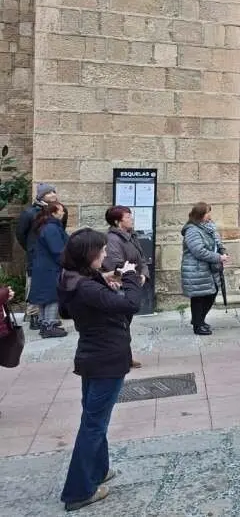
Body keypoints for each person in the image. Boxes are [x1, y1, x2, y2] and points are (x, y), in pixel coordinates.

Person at [58, 228, 143, 512]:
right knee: (93, 425)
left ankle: (98, 469)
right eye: (102, 251)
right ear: (90, 254)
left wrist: (105, 281)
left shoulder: (73, 279)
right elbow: (132, 304)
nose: (106, 254)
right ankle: (79, 491)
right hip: (106, 358)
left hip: (92, 356)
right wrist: (130, 276)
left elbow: (68, 310)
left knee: (95, 419)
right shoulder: (87, 288)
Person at [103, 205, 149, 368]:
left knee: (124, 323)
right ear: (117, 222)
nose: (131, 219)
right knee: (120, 324)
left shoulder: (131, 236)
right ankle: (120, 358)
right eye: (128, 217)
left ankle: (124, 357)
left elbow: (141, 259)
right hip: (120, 286)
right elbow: (115, 264)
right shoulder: (112, 240)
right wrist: (132, 277)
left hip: (132, 283)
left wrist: (143, 274)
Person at [15, 183, 61, 330]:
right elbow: (21, 234)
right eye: (50, 192)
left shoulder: (56, 212)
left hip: (48, 256)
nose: (54, 194)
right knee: (33, 285)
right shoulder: (29, 213)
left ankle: (46, 317)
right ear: (42, 196)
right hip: (35, 256)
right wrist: (31, 249)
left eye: (54, 191)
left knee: (47, 287)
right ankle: (33, 315)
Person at [180, 202, 229, 336]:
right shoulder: (192, 230)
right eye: (207, 212)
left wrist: (222, 250)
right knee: (199, 297)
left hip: (208, 268)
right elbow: (199, 251)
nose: (210, 215)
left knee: (211, 293)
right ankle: (198, 325)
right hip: (196, 269)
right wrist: (218, 257)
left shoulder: (209, 227)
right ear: (200, 215)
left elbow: (216, 242)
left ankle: (199, 320)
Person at [28, 201, 69, 339]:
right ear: (54, 212)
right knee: (52, 296)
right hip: (50, 268)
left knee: (44, 297)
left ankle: (44, 323)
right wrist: (67, 263)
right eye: (61, 210)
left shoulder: (46, 226)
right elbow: (58, 250)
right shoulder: (51, 228)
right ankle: (49, 326)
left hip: (43, 267)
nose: (63, 213)